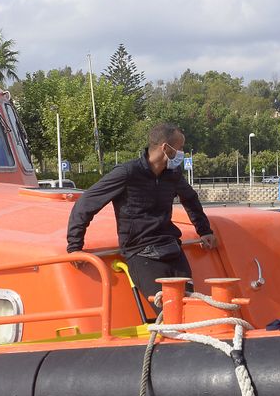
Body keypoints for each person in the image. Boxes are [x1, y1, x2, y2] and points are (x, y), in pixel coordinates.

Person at [65, 123, 217, 306]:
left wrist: (204, 230)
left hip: (172, 249)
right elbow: (86, 203)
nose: (181, 153)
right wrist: (75, 246)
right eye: (180, 148)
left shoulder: (173, 173)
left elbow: (190, 198)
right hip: (140, 253)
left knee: (189, 308)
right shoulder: (127, 173)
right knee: (169, 314)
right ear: (165, 148)